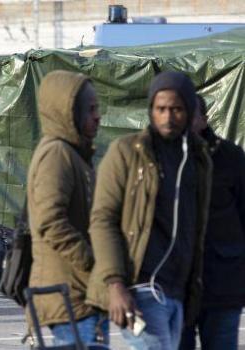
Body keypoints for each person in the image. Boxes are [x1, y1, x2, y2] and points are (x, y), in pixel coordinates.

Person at [86, 71, 212, 350]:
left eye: (176, 109)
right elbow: (102, 220)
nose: (168, 117)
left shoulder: (198, 160)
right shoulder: (127, 152)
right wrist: (115, 284)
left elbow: (197, 227)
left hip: (177, 292)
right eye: (161, 109)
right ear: (151, 110)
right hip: (139, 289)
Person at [26, 70, 106, 346]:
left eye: (98, 108)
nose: (98, 116)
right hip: (68, 293)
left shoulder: (76, 154)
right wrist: (93, 261)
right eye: (90, 109)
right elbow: (50, 222)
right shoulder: (57, 154)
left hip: (83, 292)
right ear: (68, 112)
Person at [179, 95, 245, 350]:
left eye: (187, 113)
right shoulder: (163, 159)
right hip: (177, 286)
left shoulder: (230, 157)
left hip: (223, 283)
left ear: (203, 120)